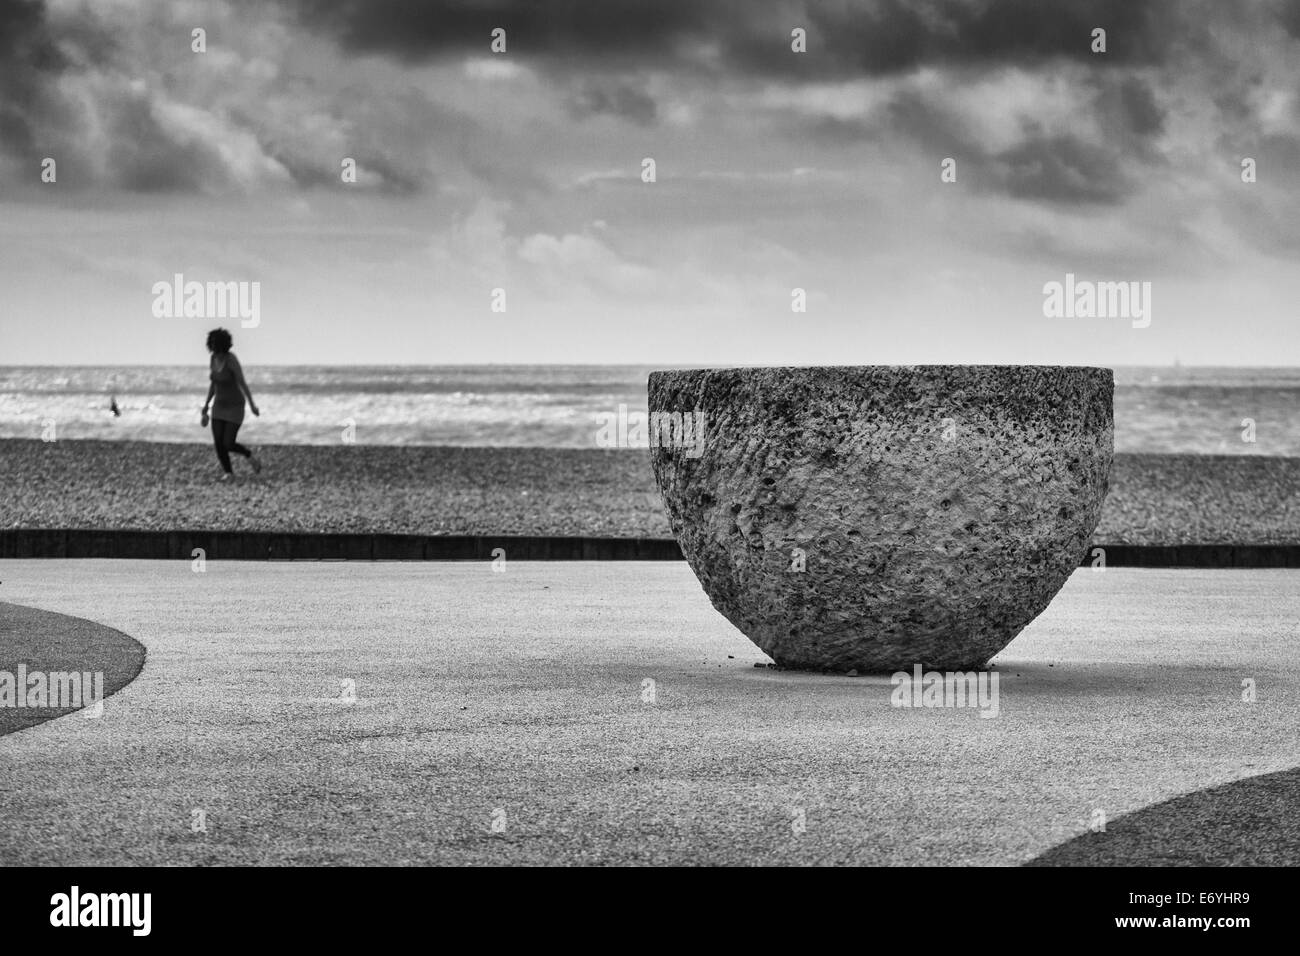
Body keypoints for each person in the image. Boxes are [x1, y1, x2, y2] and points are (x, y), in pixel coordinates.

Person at [201, 328, 262, 481]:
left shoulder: (231, 360)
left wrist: (252, 405)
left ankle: (249, 456)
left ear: (224, 345)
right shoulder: (213, 359)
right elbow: (213, 384)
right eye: (212, 345)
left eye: (217, 345)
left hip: (235, 406)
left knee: (228, 443)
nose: (214, 348)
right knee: (218, 442)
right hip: (219, 406)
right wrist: (206, 405)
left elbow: (242, 383)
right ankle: (229, 473)